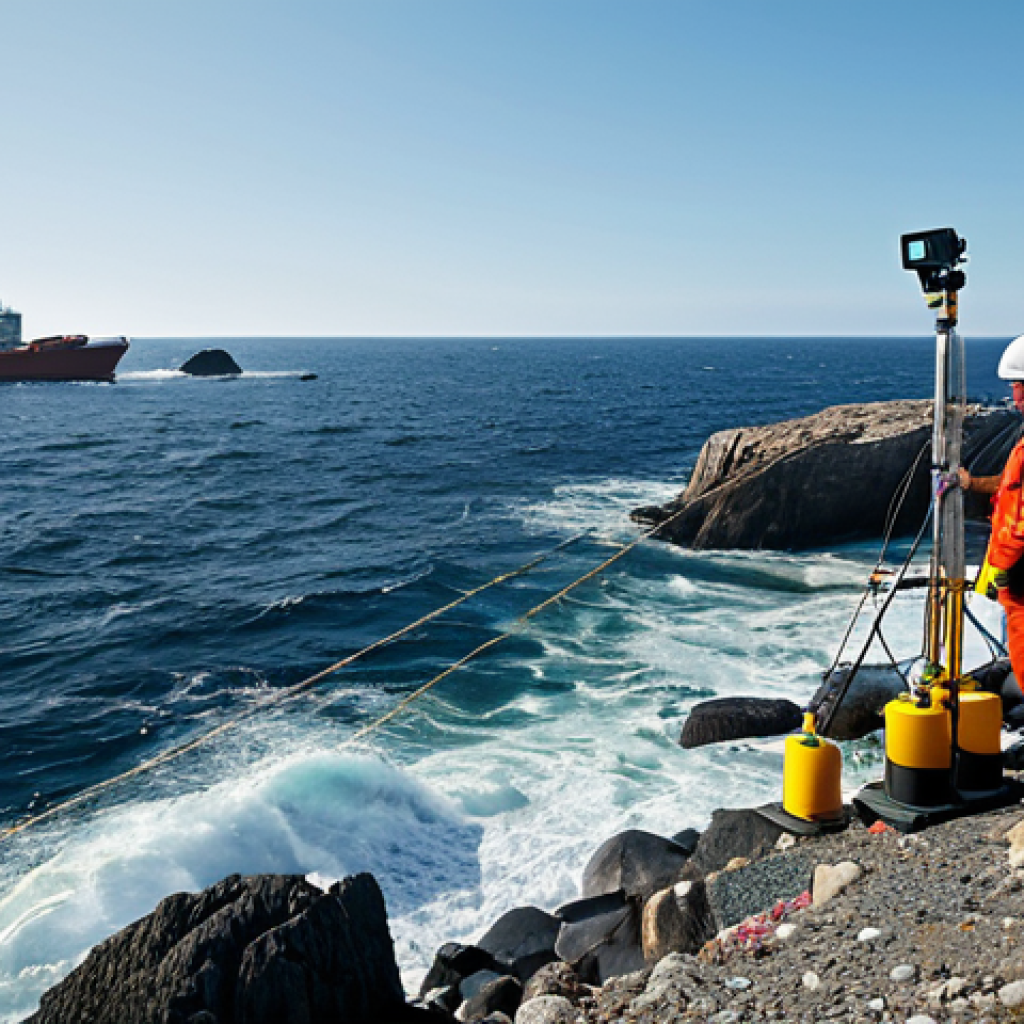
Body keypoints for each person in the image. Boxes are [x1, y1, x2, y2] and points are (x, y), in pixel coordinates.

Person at [965, 336, 1024, 683]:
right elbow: (1009, 488)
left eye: (1017, 385)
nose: (1014, 396)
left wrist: (1003, 566)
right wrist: (969, 483)